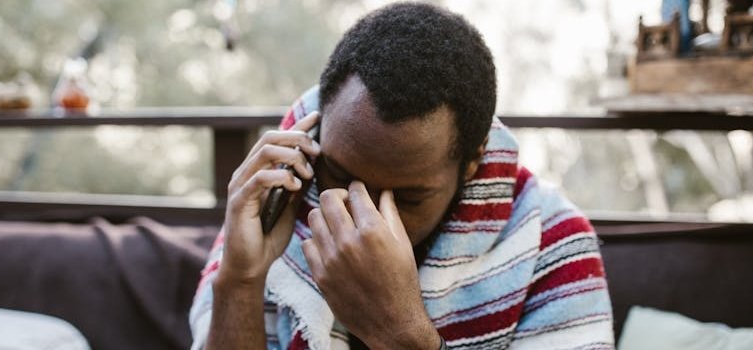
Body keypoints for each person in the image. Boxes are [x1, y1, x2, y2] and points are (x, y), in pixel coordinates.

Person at [190, 2, 614, 349]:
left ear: (471, 163)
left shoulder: (554, 247)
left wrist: (399, 333)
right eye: (337, 175)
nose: (365, 220)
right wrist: (240, 280)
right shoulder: (277, 195)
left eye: (407, 198)